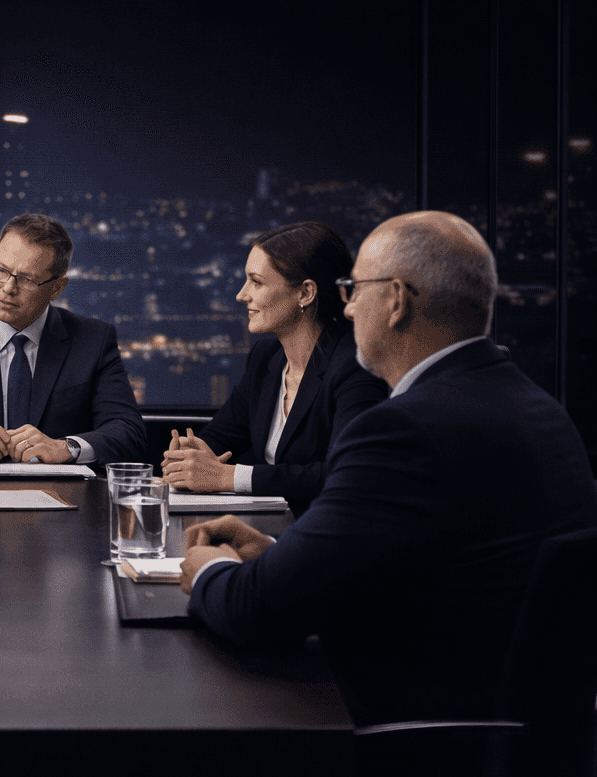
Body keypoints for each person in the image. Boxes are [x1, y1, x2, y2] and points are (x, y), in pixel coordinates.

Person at [180, 209, 597, 726]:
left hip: (404, 745)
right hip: (515, 747)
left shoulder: (403, 430)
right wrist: (283, 552)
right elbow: (434, 566)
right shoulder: (539, 410)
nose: (349, 308)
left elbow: (255, 611)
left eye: (355, 289)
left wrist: (208, 571)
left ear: (396, 300)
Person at [160, 222, 387, 513]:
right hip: (266, 528)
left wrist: (228, 476)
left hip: (323, 535)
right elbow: (218, 438)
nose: (242, 295)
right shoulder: (266, 358)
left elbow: (346, 474)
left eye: (256, 282)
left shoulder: (354, 366)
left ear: (305, 293)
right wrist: (187, 458)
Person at [0, 212, 145, 467]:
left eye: (26, 279)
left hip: (65, 498)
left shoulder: (93, 341)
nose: (8, 288)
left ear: (56, 288)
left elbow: (129, 433)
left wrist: (65, 447)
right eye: (1, 270)